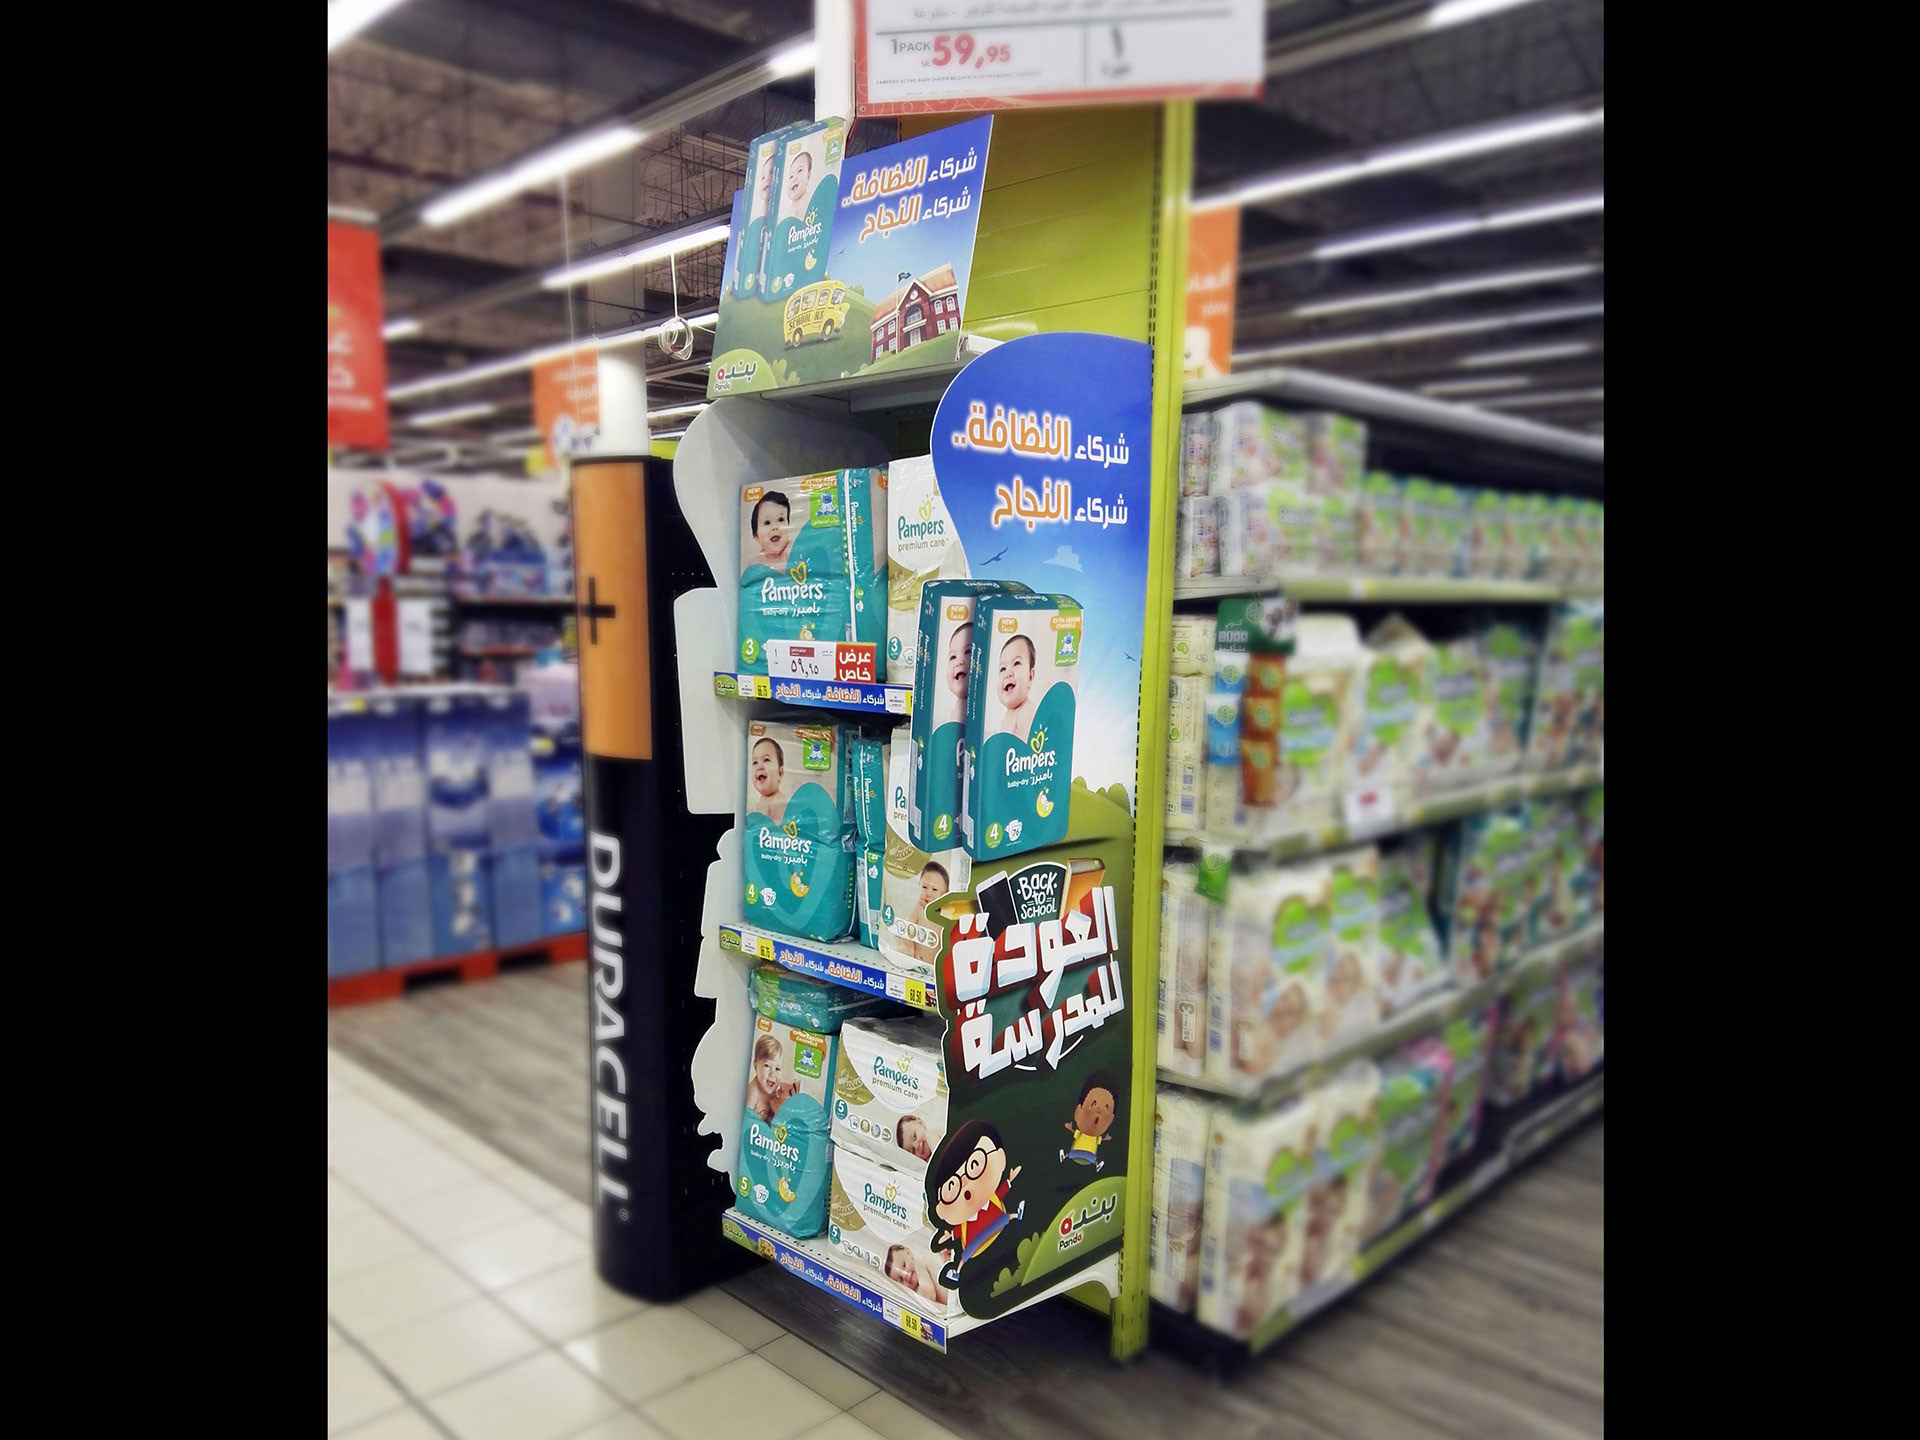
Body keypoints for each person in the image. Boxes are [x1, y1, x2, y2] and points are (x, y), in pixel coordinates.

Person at [925, 1121, 1023, 1289]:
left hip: (998, 1230)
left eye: (975, 1164)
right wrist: (946, 1236)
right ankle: (957, 1272)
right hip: (975, 1246)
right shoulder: (963, 1225)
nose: (966, 1187)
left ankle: (1016, 1215)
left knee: (1006, 1219)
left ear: (1000, 1157)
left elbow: (1001, 1192)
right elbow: (953, 1234)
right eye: (952, 1187)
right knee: (966, 1256)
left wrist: (1010, 1179)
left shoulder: (992, 1202)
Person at [1060, 1072, 1117, 1170]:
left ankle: (1095, 1164)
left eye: (1106, 1107)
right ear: (1078, 1112)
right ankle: (1065, 1156)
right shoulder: (1085, 1134)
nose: (1099, 1109)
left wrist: (1106, 1138)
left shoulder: (1096, 1137)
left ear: (1110, 1120)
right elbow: (1076, 1133)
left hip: (1087, 1154)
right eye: (1094, 1104)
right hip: (1081, 1152)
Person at [746, 1033, 799, 1122]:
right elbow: (745, 1119)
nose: (772, 1074)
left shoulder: (774, 1092)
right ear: (755, 1066)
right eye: (767, 1066)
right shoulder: (753, 1093)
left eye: (777, 1069)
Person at [996, 633, 1039, 741]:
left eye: (1016, 663)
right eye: (1003, 669)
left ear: (1030, 677)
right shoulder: (1008, 715)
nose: (1008, 673)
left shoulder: (1026, 711)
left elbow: (1024, 747)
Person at [905, 861, 949, 965]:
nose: (928, 893)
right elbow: (907, 928)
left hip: (936, 966)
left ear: (945, 894)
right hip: (916, 960)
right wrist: (908, 949)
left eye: (935, 889)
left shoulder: (946, 914)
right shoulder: (918, 908)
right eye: (924, 887)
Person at [748, 491, 793, 571]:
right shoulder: (756, 561)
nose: (775, 527)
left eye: (780, 519)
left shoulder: (792, 552)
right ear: (756, 536)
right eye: (767, 522)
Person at [748, 737, 788, 825]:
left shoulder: (778, 801)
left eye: (766, 760)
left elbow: (780, 829)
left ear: (780, 773)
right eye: (755, 762)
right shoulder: (761, 800)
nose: (759, 767)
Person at [781, 146, 815, 222]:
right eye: (791, 176)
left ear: (808, 176)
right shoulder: (788, 211)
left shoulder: (809, 201)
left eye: (800, 171)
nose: (794, 178)